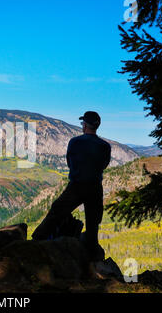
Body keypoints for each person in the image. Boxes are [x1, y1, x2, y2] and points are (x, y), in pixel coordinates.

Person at [32, 111, 111, 261]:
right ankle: (92, 256)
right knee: (93, 222)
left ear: (85, 125)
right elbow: (104, 165)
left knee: (57, 211)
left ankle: (36, 241)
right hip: (95, 187)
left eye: (83, 123)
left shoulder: (75, 142)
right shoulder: (105, 146)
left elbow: (70, 162)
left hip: (76, 185)